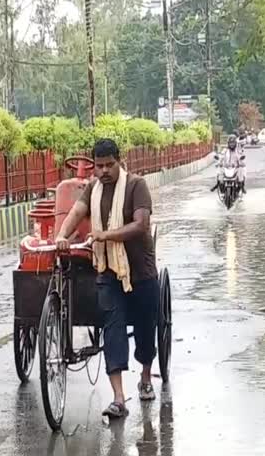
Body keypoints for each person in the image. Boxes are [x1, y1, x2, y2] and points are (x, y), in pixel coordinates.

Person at [55, 138, 159, 419]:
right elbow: (77, 212)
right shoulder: (93, 189)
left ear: (119, 161)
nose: (103, 171)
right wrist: (62, 236)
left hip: (141, 271)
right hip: (109, 271)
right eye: (98, 166)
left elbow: (141, 224)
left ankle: (146, 377)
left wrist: (105, 235)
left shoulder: (137, 186)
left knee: (146, 331)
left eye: (108, 165)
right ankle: (118, 398)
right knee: (112, 329)